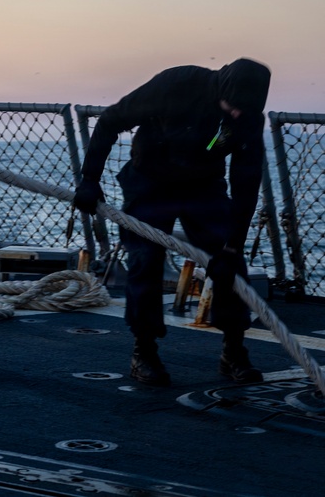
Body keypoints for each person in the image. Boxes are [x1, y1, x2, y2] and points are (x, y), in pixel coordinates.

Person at [74, 58, 271, 386]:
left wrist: (232, 245)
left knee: (230, 263)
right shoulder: (175, 85)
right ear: (223, 91)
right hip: (149, 182)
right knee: (145, 260)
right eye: (233, 107)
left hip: (203, 186)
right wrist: (89, 180)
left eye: (245, 111)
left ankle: (233, 350)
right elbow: (109, 121)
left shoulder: (248, 117)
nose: (237, 115)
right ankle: (144, 350)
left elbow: (247, 181)